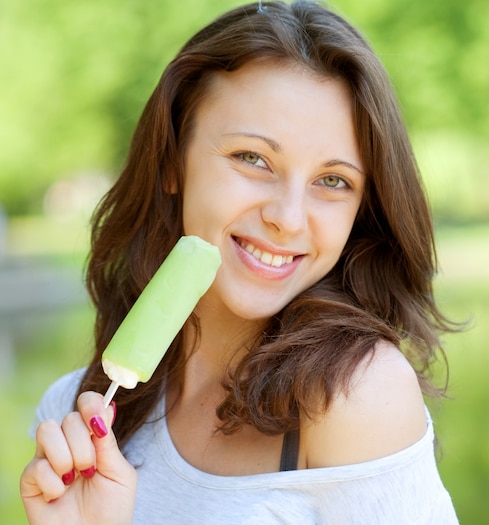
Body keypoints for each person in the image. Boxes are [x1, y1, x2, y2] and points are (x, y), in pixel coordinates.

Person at [20, 1, 460, 523]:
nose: (289, 218)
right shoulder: (72, 415)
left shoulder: (356, 394)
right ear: (172, 161)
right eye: (253, 158)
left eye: (333, 181)